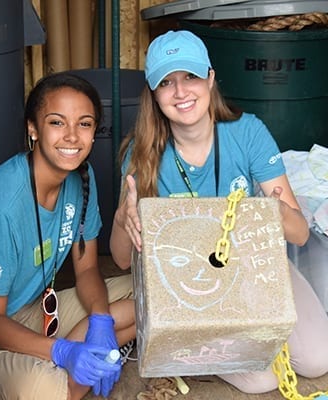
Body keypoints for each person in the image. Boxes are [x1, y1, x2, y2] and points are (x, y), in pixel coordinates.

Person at [110, 30, 328, 394]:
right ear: (153, 94)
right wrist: (122, 218)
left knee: (318, 358)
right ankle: (188, 348)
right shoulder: (142, 152)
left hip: (254, 263)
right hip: (187, 281)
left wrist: (269, 211)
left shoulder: (248, 132)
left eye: (190, 77)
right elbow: (118, 259)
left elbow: (300, 234)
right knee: (260, 379)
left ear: (210, 78)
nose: (180, 92)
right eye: (166, 82)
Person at [0, 72, 135, 400]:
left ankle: (82, 360)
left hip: (33, 311)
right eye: (57, 123)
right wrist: (62, 352)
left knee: (148, 294)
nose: (72, 137)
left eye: (85, 124)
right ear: (33, 129)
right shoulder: (1, 204)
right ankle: (70, 368)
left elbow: (89, 269)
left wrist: (102, 322)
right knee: (42, 390)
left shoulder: (82, 176)